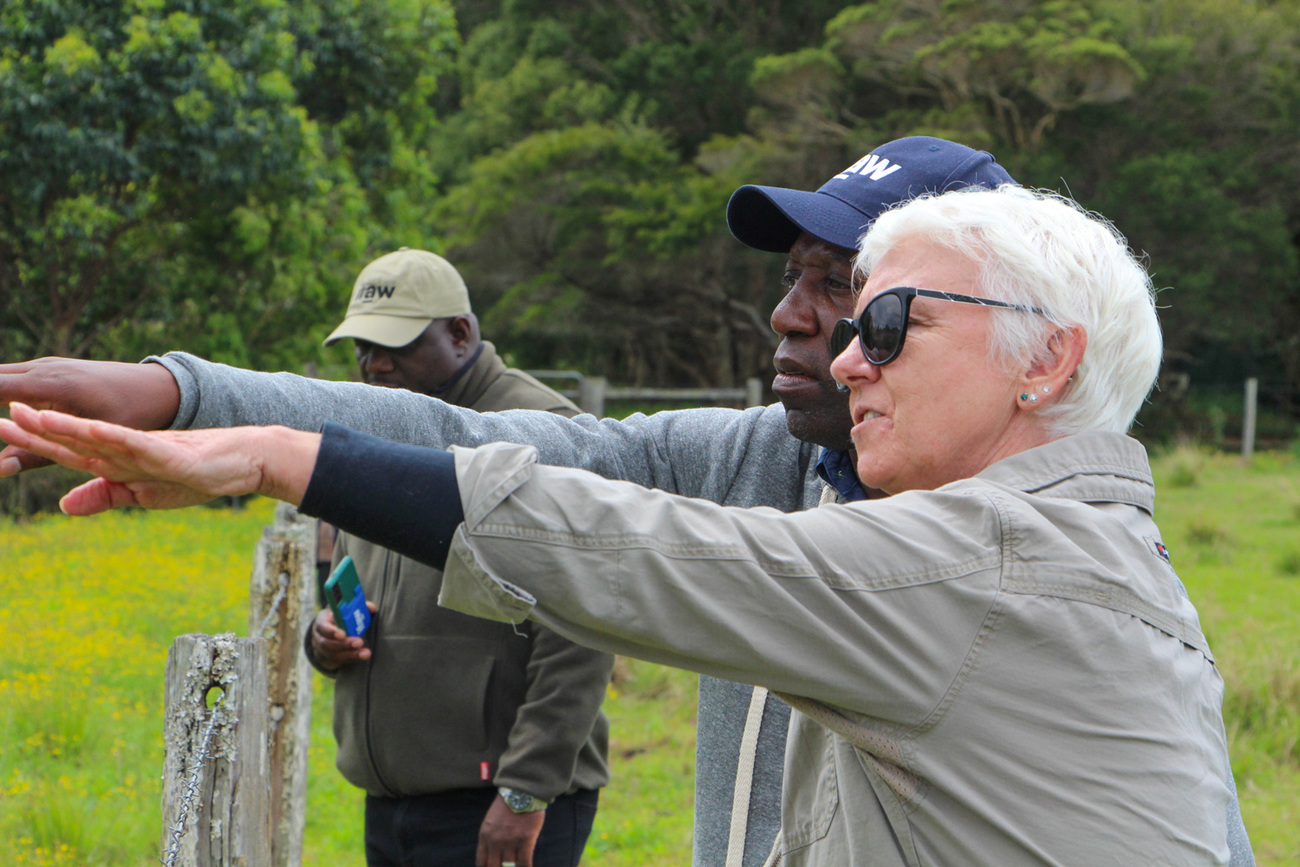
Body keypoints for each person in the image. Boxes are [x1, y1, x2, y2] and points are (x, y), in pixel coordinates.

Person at [0, 138, 1254, 866]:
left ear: (1047, 358)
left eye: (872, 305)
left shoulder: (986, 561)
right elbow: (495, 447)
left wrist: (273, 456)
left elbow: (622, 549)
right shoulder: (771, 462)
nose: (816, 330)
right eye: (810, 286)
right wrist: (179, 391)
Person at [307, 248, 614, 867]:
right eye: (362, 346)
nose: (375, 363)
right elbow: (349, 580)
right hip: (393, 794)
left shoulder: (541, 430)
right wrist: (325, 638)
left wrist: (525, 790)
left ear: (460, 334)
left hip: (497, 805)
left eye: (395, 343)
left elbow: (585, 623)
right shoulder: (376, 423)